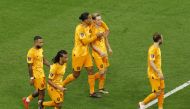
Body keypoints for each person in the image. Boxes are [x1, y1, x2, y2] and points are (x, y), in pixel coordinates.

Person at [62, 12, 103, 98]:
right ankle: (62, 85)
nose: (91, 20)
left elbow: (98, 22)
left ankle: (92, 92)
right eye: (89, 18)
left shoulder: (88, 25)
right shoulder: (79, 29)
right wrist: (96, 36)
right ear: (85, 20)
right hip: (78, 55)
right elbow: (85, 42)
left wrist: (97, 17)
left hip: (86, 53)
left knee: (90, 70)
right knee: (75, 75)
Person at [22, 36, 50, 109]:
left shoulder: (40, 49)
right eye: (40, 42)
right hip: (36, 75)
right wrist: (31, 78)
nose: (42, 44)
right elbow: (29, 66)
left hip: (41, 73)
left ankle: (27, 100)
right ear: (35, 42)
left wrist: (51, 66)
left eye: (42, 42)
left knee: (39, 90)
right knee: (42, 92)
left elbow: (43, 60)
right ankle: (40, 107)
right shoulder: (31, 52)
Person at [139, 32, 165, 109]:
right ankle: (142, 103)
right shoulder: (153, 49)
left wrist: (160, 72)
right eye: (162, 38)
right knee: (157, 93)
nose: (163, 39)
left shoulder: (157, 48)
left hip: (159, 72)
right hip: (154, 74)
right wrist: (158, 73)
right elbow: (151, 62)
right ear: (159, 40)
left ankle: (160, 107)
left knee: (162, 89)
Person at [91, 13, 112, 94]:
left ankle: (101, 88)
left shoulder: (102, 27)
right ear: (93, 20)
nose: (100, 21)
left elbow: (105, 38)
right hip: (97, 54)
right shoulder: (92, 30)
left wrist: (109, 48)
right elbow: (92, 45)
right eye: (98, 20)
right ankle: (91, 78)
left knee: (105, 70)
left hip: (104, 53)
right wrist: (100, 52)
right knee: (102, 71)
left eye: (101, 19)